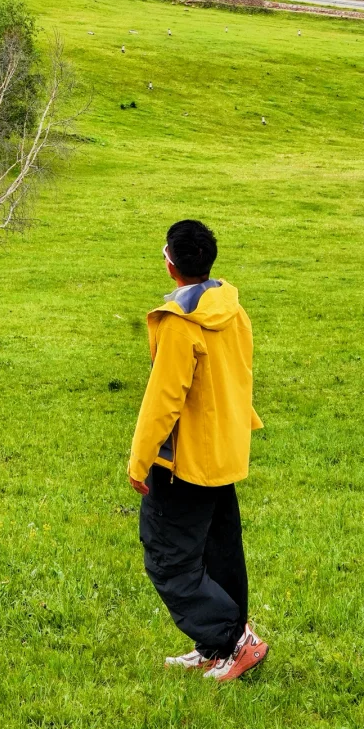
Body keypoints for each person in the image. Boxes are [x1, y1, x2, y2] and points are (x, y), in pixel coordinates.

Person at [127, 219, 268, 682]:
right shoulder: (231, 307)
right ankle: (218, 644)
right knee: (219, 550)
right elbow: (241, 371)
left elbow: (164, 398)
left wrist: (140, 458)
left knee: (169, 559)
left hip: (183, 462)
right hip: (224, 450)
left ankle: (233, 640)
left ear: (170, 265)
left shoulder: (180, 324)